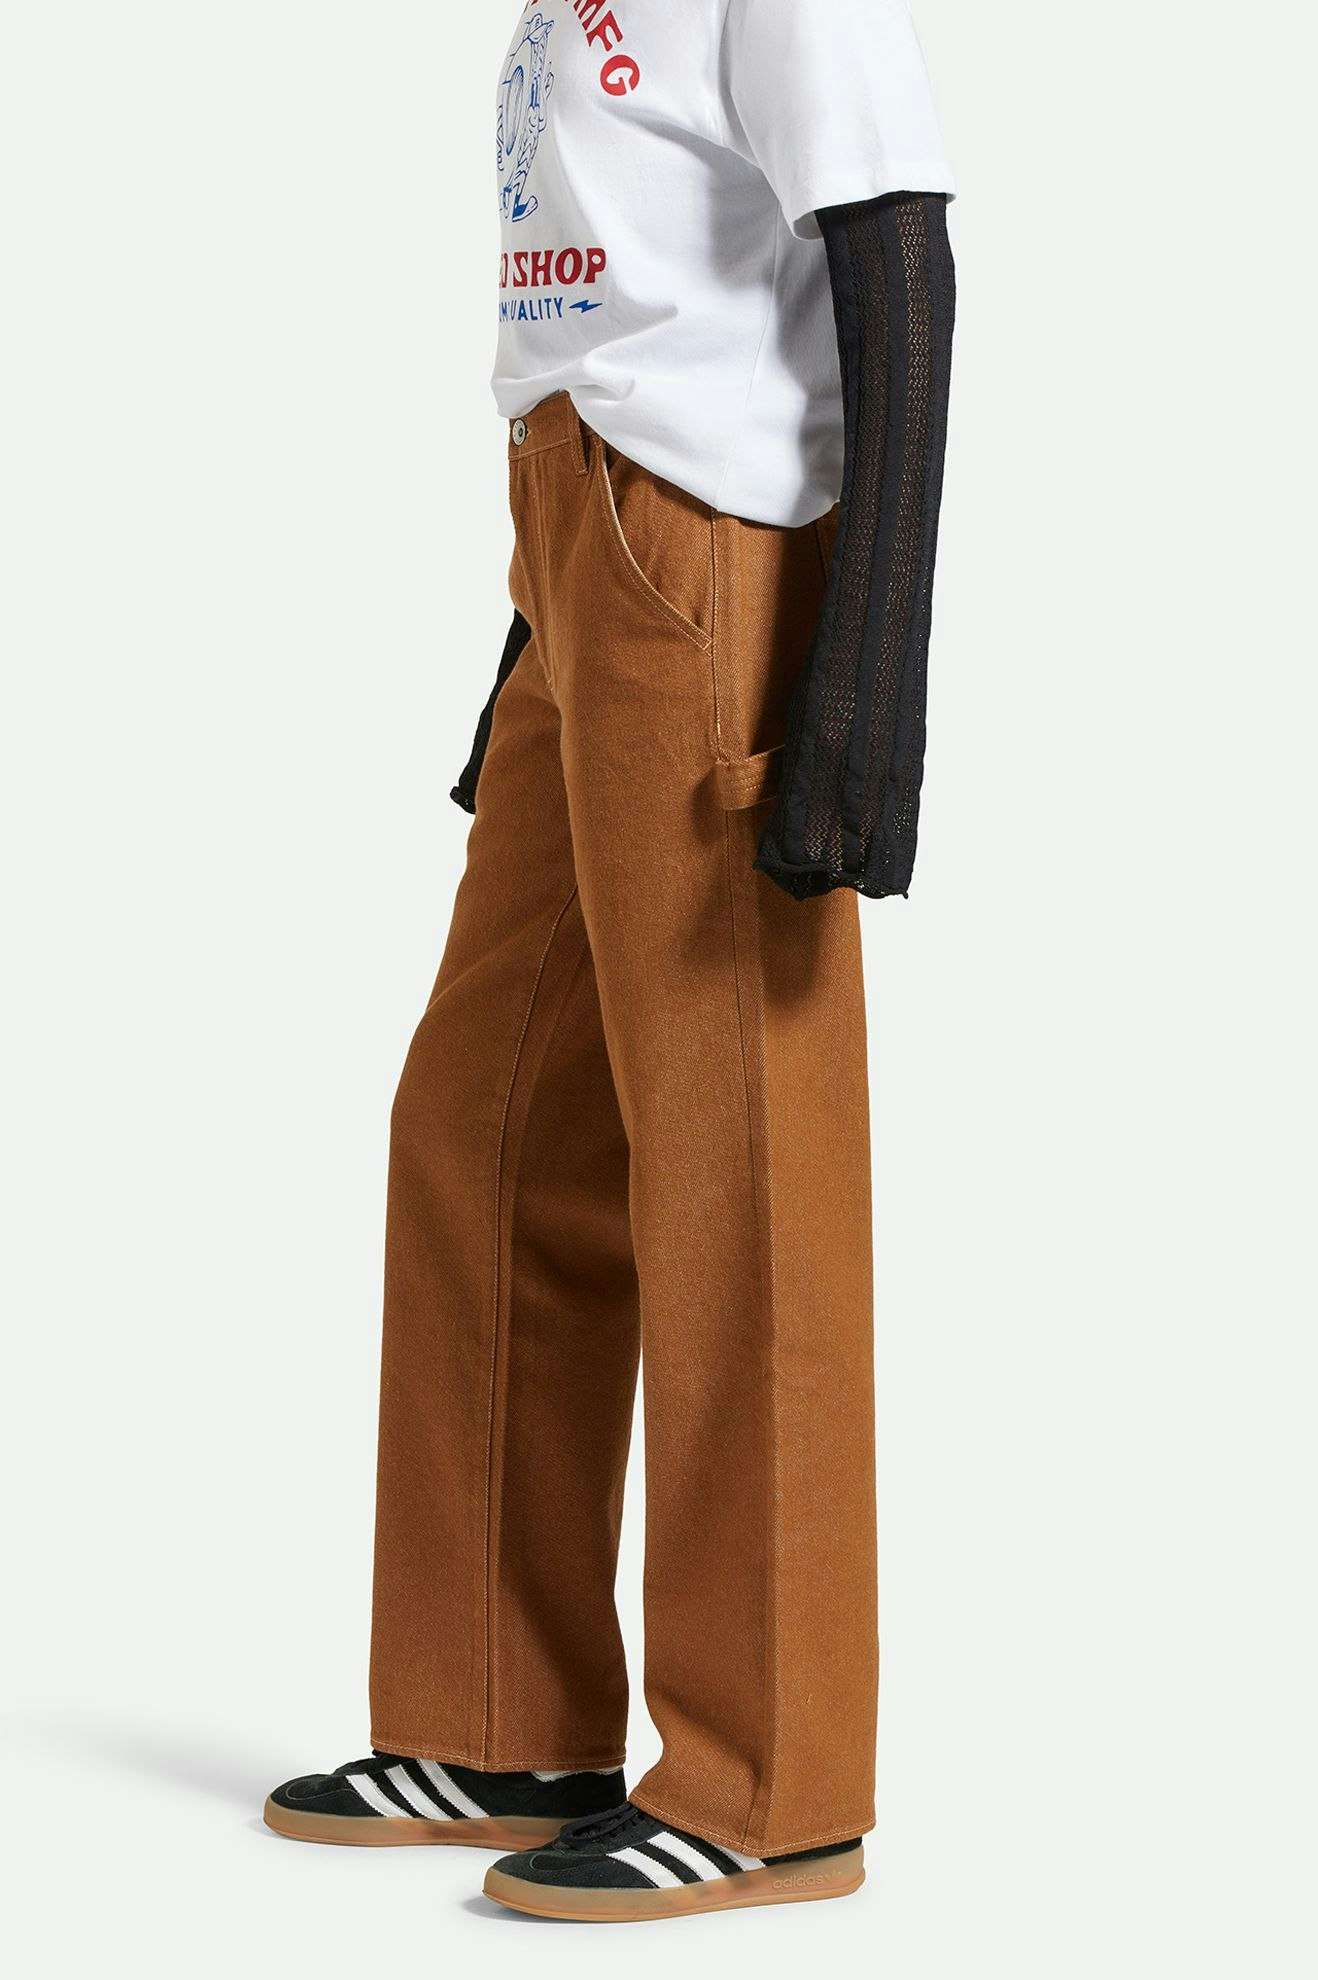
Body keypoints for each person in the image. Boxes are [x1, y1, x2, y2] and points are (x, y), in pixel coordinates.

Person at [264, 0, 955, 1924]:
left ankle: (770, 1781)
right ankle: (498, 1718)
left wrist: (869, 675)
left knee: (740, 1171)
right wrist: (537, 650)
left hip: (714, 541)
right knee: (485, 1130)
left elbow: (897, 246)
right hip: (571, 543)